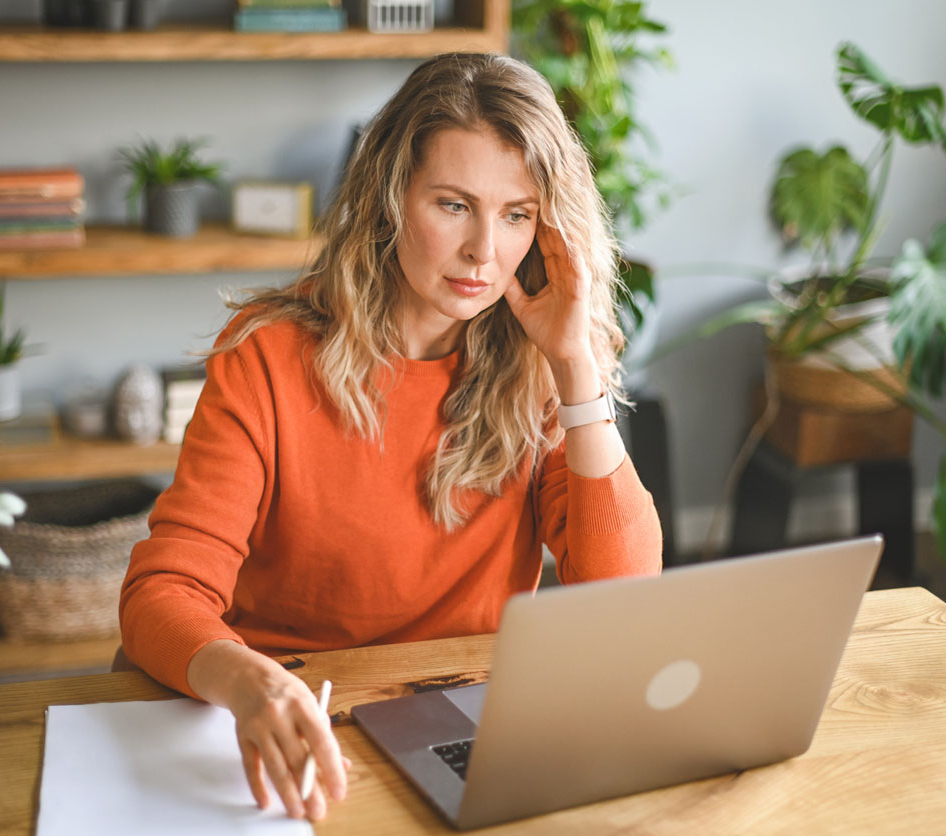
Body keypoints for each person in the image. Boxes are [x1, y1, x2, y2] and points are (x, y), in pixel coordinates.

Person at [118, 51, 663, 823]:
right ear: (389, 196)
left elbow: (622, 603)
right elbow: (162, 592)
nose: (484, 251)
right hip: (288, 719)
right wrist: (249, 680)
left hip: (460, 725)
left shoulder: (542, 367)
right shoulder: (267, 356)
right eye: (453, 204)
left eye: (517, 215)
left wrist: (577, 367)